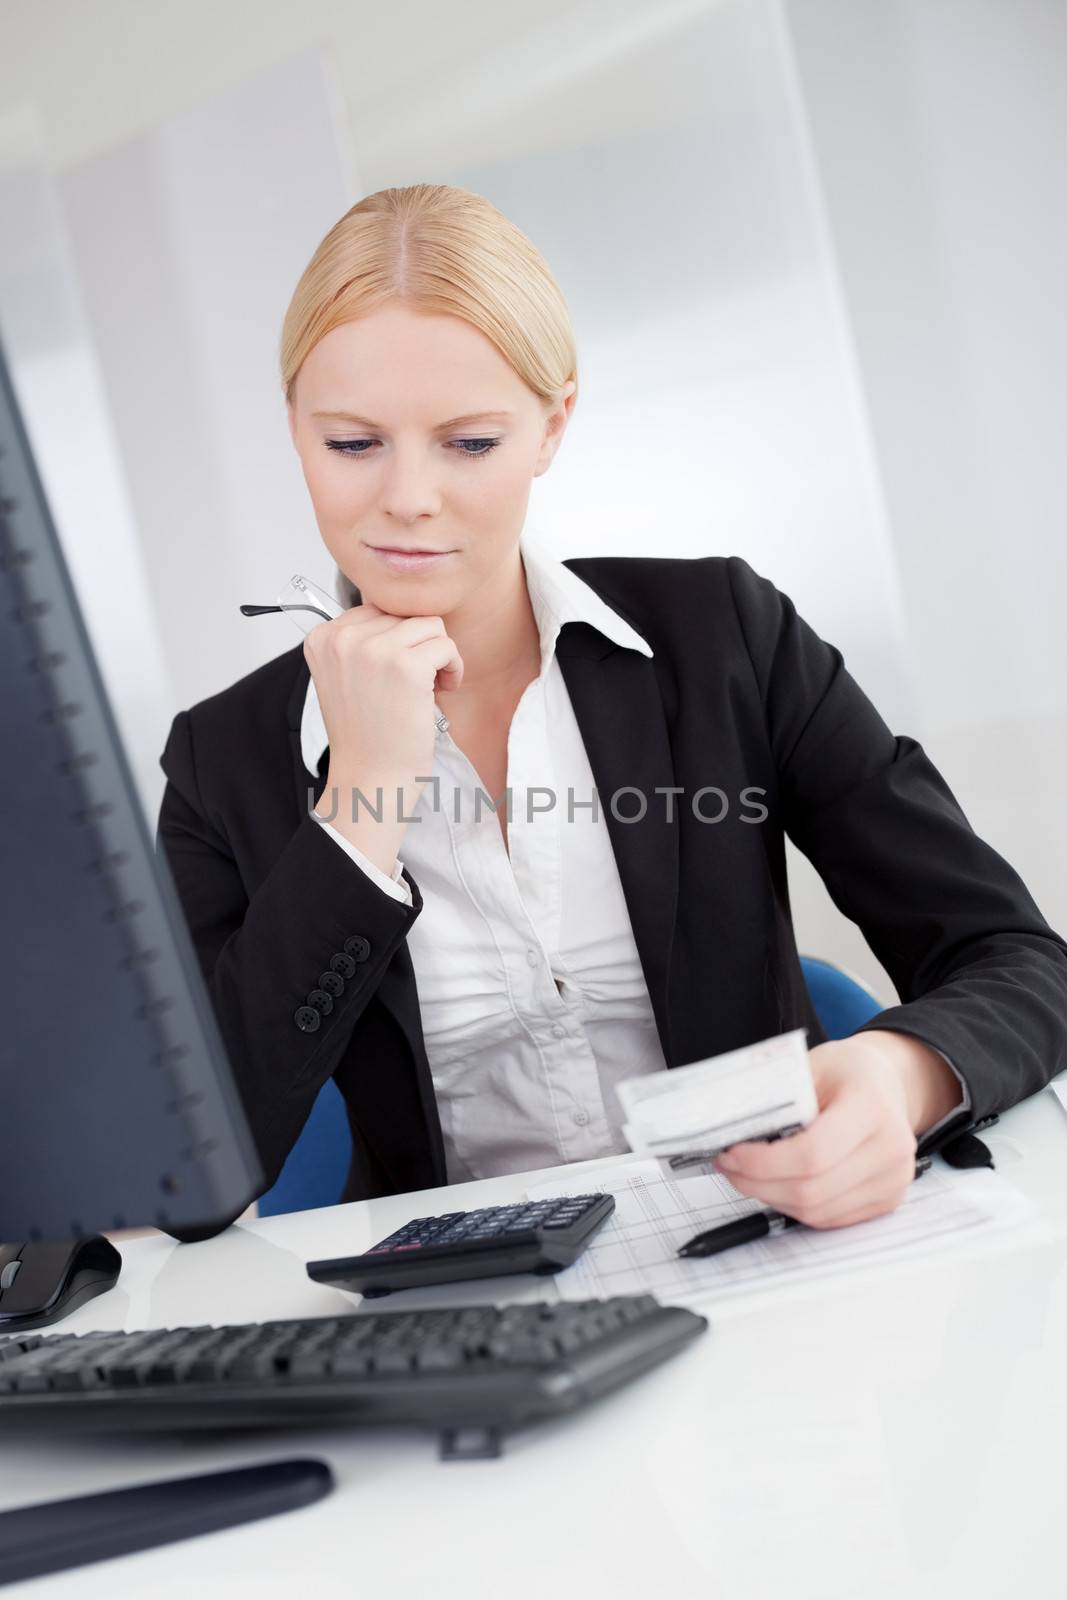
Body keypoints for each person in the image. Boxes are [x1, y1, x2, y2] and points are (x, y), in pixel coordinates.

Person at [156, 182, 1067, 1244]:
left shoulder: (724, 637)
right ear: (295, 429)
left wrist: (897, 1074)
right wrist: (356, 804)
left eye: (469, 443)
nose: (406, 497)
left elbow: (1016, 959)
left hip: (772, 1262)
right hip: (463, 1315)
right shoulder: (224, 761)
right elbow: (194, 1176)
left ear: (552, 426)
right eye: (353, 443)